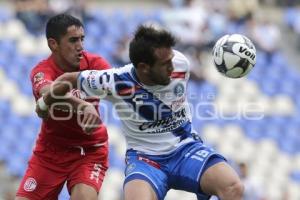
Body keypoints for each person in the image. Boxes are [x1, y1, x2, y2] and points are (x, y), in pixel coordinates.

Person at [37, 25, 244, 200]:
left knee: (233, 187)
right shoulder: (114, 81)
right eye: (165, 64)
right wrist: (45, 103)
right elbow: (68, 79)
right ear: (144, 67)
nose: (172, 67)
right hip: (145, 160)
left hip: (185, 149)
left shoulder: (181, 63)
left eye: (171, 59)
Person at [15, 14, 111, 200]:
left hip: (89, 151)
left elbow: (120, 84)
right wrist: (83, 106)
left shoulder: (95, 64)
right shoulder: (42, 71)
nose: (80, 46)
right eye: (73, 40)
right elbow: (48, 91)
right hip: (50, 153)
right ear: (53, 44)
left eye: (82, 39)